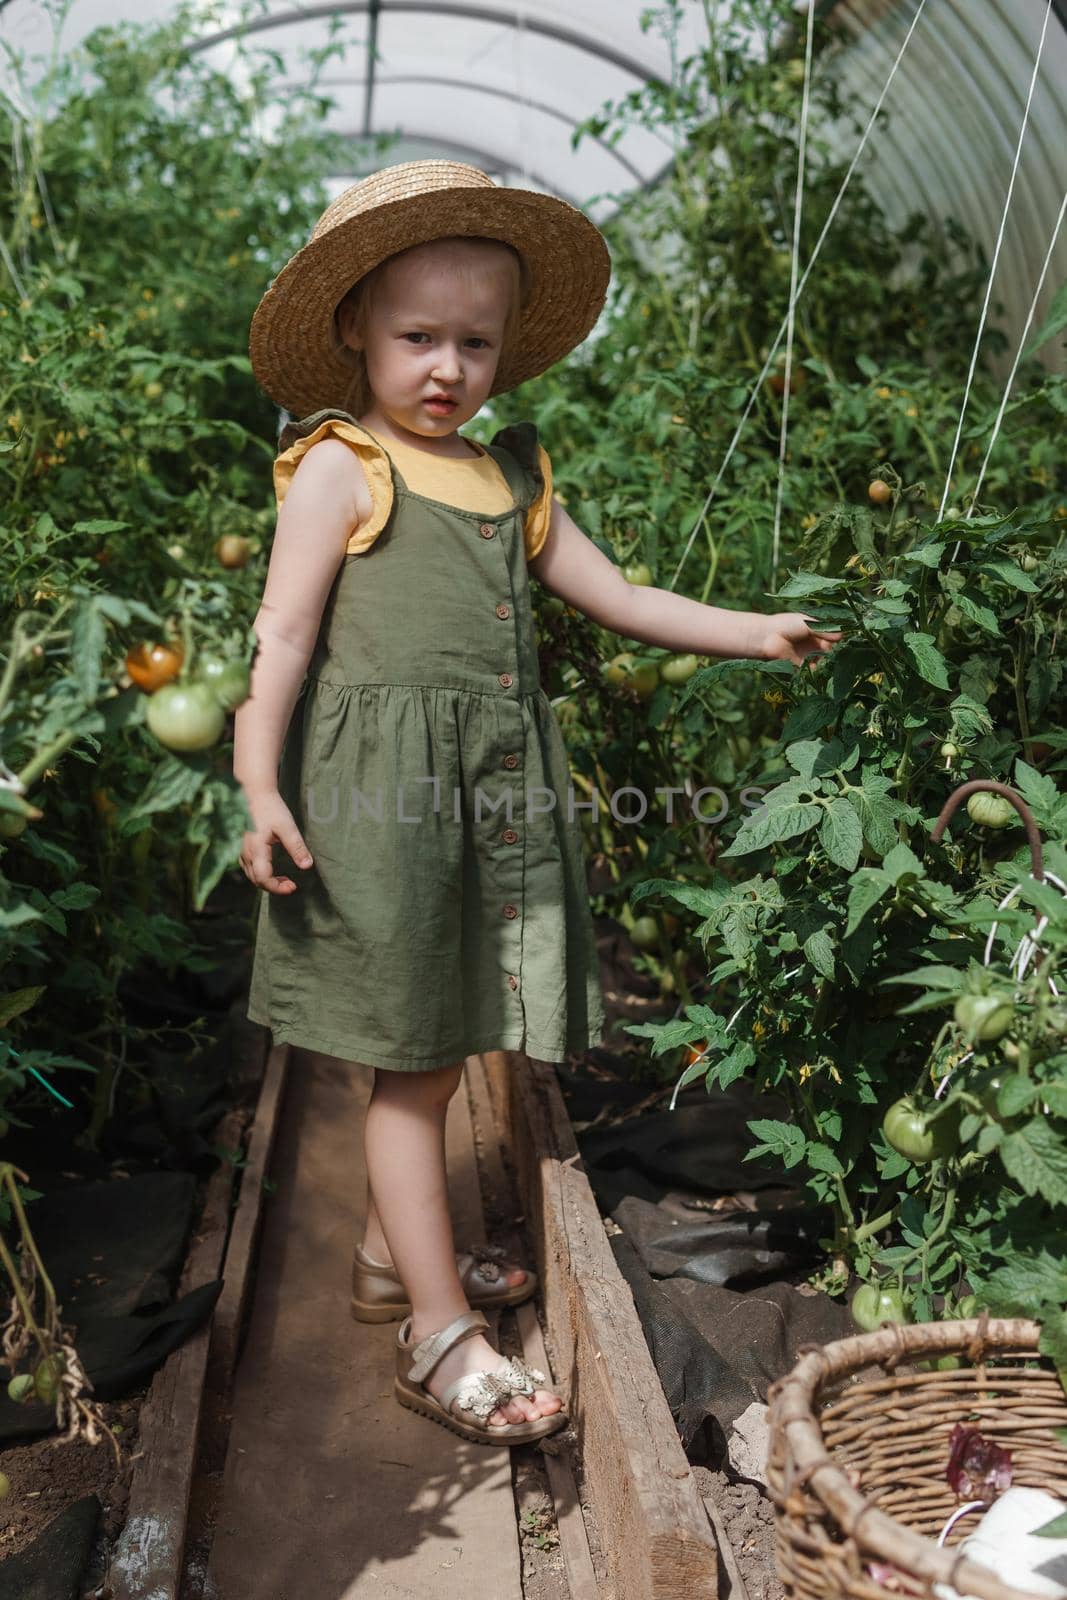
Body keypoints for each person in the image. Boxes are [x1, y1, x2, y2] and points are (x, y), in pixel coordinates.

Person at [235, 159, 841, 1448]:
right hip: (387, 797)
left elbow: (621, 599)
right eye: (416, 338)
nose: (447, 368)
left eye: (474, 342)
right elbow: (280, 639)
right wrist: (256, 781)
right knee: (414, 1063)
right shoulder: (343, 468)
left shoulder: (512, 482)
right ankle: (440, 1333)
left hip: (490, 793)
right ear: (355, 331)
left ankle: (397, 1261)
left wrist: (757, 629)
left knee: (447, 1032)